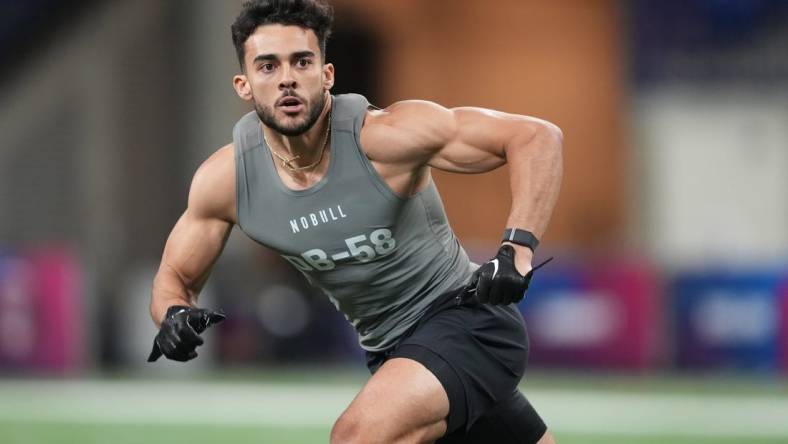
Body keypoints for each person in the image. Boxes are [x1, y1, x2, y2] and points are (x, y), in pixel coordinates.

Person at [147, 1, 563, 443]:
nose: (286, 77)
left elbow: (536, 138)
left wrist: (516, 249)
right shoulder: (225, 181)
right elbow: (173, 278)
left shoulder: (384, 137)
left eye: (301, 61)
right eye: (267, 66)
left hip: (468, 323)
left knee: (356, 437)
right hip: (393, 352)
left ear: (326, 75)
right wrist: (173, 315)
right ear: (243, 85)